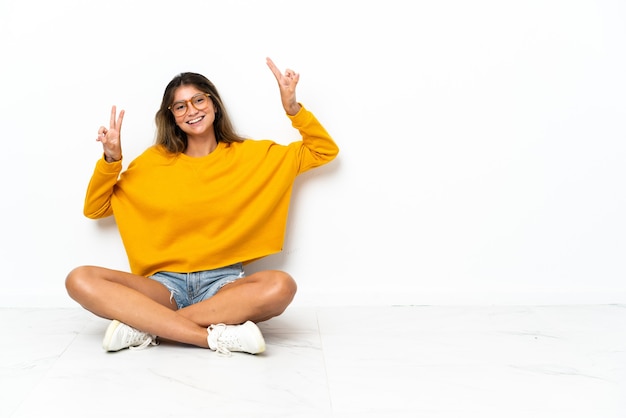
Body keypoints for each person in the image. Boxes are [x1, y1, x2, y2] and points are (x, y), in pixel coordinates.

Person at [65, 57, 339, 355]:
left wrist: (293, 109)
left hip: (223, 286)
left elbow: (323, 150)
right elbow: (95, 208)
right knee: (79, 279)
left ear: (214, 104)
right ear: (172, 116)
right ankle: (212, 337)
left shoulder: (253, 156)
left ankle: (146, 327)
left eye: (198, 100)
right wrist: (111, 160)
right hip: (162, 287)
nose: (191, 110)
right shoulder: (152, 163)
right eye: (180, 106)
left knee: (281, 286)